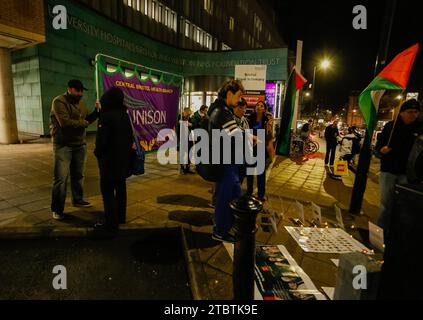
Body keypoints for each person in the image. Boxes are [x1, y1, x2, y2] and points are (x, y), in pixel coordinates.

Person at [49, 79, 100, 220]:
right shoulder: (59, 101)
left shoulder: (81, 103)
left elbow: (87, 119)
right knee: (61, 178)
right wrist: (84, 123)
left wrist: (96, 112)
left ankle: (78, 199)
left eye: (82, 91)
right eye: (78, 91)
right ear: (70, 89)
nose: (80, 93)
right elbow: (65, 123)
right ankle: (57, 209)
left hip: (79, 144)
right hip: (63, 145)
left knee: (78, 175)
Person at [375, 99, 423, 235]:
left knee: (404, 206)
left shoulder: (420, 128)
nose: (413, 115)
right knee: (386, 204)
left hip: (408, 174)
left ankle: (397, 233)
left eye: (416, 112)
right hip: (389, 171)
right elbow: (379, 145)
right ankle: (381, 233)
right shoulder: (391, 126)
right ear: (401, 113)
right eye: (409, 112)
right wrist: (382, 149)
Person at [208, 79, 245, 242]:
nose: (240, 100)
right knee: (226, 195)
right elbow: (235, 134)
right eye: (238, 96)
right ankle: (220, 231)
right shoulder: (222, 111)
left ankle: (226, 225)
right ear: (229, 94)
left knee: (234, 193)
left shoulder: (220, 109)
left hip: (226, 159)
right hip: (225, 160)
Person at [94, 87, 134, 232]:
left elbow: (102, 142)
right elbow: (129, 137)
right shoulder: (125, 115)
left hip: (109, 162)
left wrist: (97, 153)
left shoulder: (106, 117)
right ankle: (121, 217)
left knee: (108, 191)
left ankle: (111, 223)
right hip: (122, 159)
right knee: (121, 189)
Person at [246, 101, 275, 202]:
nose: (259, 106)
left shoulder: (267, 120)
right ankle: (249, 192)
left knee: (260, 173)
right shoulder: (249, 118)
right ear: (255, 108)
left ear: (264, 109)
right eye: (257, 105)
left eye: (261, 106)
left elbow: (270, 137)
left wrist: (271, 153)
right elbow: (245, 132)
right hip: (250, 148)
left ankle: (261, 194)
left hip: (261, 149)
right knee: (249, 173)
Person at [177, 107, 194, 174]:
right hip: (182, 138)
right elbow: (178, 125)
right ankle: (182, 168)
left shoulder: (189, 118)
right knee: (183, 154)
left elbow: (192, 125)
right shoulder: (180, 117)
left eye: (189, 115)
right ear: (185, 113)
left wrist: (190, 124)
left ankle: (187, 167)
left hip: (189, 138)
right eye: (188, 115)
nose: (189, 116)